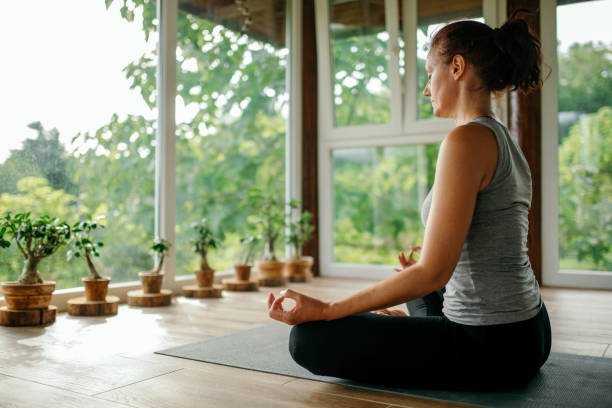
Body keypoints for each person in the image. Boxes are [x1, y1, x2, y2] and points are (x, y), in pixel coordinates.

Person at [267, 11, 551, 391]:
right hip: (531, 328)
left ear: (457, 67)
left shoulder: (465, 141)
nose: (426, 89)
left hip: (492, 346)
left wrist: (328, 309)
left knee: (308, 339)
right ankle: (411, 325)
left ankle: (405, 327)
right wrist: (419, 276)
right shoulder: (502, 138)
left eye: (429, 74)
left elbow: (434, 273)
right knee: (415, 283)